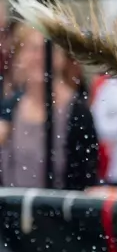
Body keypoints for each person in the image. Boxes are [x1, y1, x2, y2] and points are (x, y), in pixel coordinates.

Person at [0, 23, 99, 190]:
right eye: (32, 49)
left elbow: (85, 177)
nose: (40, 56)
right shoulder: (9, 109)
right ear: (19, 57)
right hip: (14, 209)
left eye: (46, 49)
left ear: (60, 57)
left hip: (58, 209)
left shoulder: (77, 112)